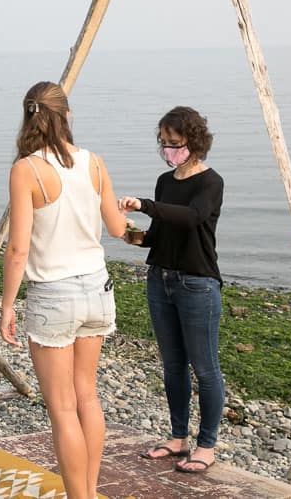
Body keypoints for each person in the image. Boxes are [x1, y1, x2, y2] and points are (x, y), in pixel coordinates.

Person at [0, 81, 127, 499]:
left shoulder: (26, 170)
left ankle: (81, 498)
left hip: (53, 294)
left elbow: (18, 249)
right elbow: (117, 228)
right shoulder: (94, 163)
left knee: (63, 408)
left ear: (28, 116)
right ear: (67, 115)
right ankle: (88, 492)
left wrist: (6, 305)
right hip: (97, 289)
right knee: (87, 397)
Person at [118, 106, 225, 474]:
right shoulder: (166, 182)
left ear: (193, 142)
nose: (168, 149)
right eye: (163, 143)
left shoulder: (211, 182)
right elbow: (160, 234)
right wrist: (135, 236)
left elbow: (193, 217)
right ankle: (178, 438)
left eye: (174, 143)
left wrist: (146, 206)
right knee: (173, 365)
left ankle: (206, 446)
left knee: (205, 368)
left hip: (197, 283)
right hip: (160, 279)